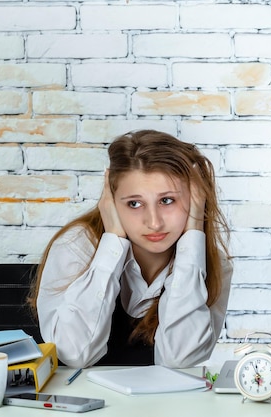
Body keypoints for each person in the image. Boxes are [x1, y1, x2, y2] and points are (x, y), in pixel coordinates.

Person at [28, 130, 232, 369]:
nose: (154, 222)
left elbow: (180, 360)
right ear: (111, 202)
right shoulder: (76, 246)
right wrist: (113, 241)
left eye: (167, 200)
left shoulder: (209, 262)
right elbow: (74, 354)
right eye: (134, 203)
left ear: (195, 198)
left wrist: (194, 230)